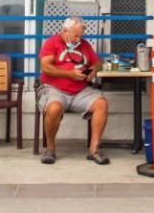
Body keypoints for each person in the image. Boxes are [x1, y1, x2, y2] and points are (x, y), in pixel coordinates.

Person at [38, 16, 109, 165]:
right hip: (54, 88)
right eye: (76, 36)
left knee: (101, 104)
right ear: (65, 31)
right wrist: (69, 74)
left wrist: (93, 69)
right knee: (54, 108)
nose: (78, 39)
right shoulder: (52, 43)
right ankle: (50, 149)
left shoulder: (84, 44)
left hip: (80, 90)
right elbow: (46, 67)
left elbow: (97, 61)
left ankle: (94, 150)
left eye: (81, 36)